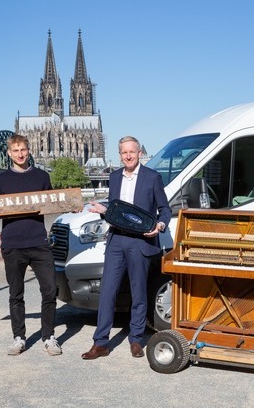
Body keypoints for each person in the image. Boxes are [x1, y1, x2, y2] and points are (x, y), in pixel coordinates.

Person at [0, 134, 62, 356]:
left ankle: (48, 337)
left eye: (23, 150)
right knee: (16, 293)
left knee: (49, 291)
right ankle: (19, 337)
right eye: (16, 151)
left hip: (39, 242)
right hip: (12, 244)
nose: (20, 154)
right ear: (9, 153)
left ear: (29, 151)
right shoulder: (1, 180)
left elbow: (53, 203)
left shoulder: (42, 176)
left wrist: (73, 205)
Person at [81, 136, 171, 360]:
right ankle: (100, 343)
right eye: (124, 153)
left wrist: (159, 225)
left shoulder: (152, 177)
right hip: (116, 241)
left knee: (138, 293)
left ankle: (136, 340)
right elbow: (117, 211)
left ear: (139, 152)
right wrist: (103, 209)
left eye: (132, 152)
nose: (128, 156)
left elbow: (165, 209)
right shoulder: (113, 177)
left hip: (140, 242)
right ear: (120, 154)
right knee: (107, 292)